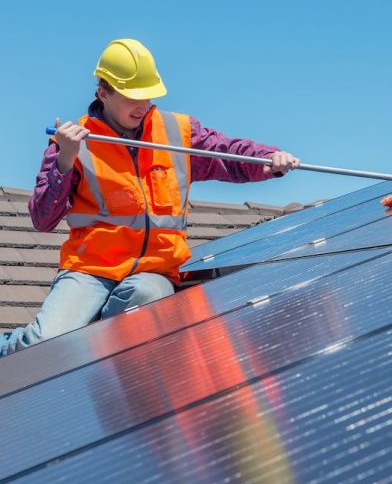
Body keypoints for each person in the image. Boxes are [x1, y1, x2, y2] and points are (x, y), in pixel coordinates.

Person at [1, 38, 299, 356]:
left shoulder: (177, 132)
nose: (142, 106)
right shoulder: (75, 142)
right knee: (45, 347)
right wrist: (65, 159)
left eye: (148, 95)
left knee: (146, 298)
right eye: (132, 97)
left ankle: (96, 344)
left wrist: (269, 159)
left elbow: (227, 154)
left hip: (153, 272)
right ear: (103, 93)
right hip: (90, 270)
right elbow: (42, 219)